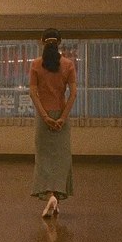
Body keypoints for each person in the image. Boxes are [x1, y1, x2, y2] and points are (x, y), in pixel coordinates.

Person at [29, 28, 78, 217]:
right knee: (61, 159)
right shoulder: (68, 64)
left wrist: (45, 117)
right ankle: (56, 195)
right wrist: (63, 117)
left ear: (42, 41)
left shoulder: (36, 64)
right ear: (59, 42)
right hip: (61, 118)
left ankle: (50, 195)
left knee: (43, 159)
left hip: (44, 118)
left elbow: (33, 93)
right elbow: (73, 93)